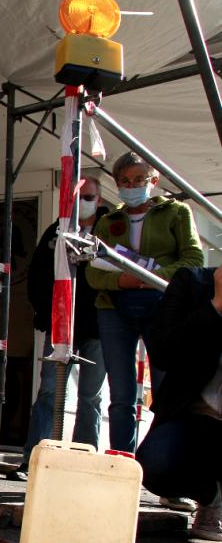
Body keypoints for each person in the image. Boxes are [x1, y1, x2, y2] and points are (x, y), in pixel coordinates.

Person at [86, 152, 204, 455]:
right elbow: (92, 272)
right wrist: (120, 282)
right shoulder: (108, 220)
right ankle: (120, 463)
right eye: (124, 181)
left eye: (139, 179)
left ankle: (163, 465)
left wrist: (146, 277)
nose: (132, 185)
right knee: (121, 393)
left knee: (167, 391)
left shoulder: (177, 212)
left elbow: (193, 260)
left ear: (153, 180)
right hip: (115, 308)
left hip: (165, 307)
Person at [8, 173, 108, 482]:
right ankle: (34, 459)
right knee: (50, 390)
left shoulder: (110, 229)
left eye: (89, 197)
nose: (84, 203)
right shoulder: (56, 229)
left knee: (90, 396)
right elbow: (38, 272)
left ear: (100, 200)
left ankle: (82, 464)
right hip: (62, 323)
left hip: (98, 325)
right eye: (78, 197)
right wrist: (43, 310)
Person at [136, 266, 222, 541]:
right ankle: (212, 496)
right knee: (155, 466)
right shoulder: (193, 283)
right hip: (195, 418)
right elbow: (163, 351)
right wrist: (216, 306)